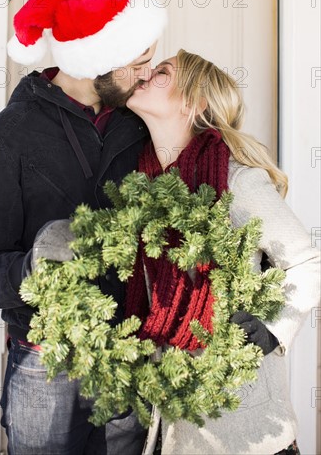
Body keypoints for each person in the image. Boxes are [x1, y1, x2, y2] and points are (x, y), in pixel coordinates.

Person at [0, 0, 166, 455]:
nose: (148, 71)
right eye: (138, 59)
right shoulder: (4, 141)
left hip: (128, 352)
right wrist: (35, 264)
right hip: (45, 363)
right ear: (98, 57)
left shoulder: (139, 125)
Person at [123, 49, 320, 455]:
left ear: (193, 104)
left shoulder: (235, 182)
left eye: (162, 72)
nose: (145, 75)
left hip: (245, 430)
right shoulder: (140, 187)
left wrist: (271, 328)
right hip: (171, 424)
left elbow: (307, 262)